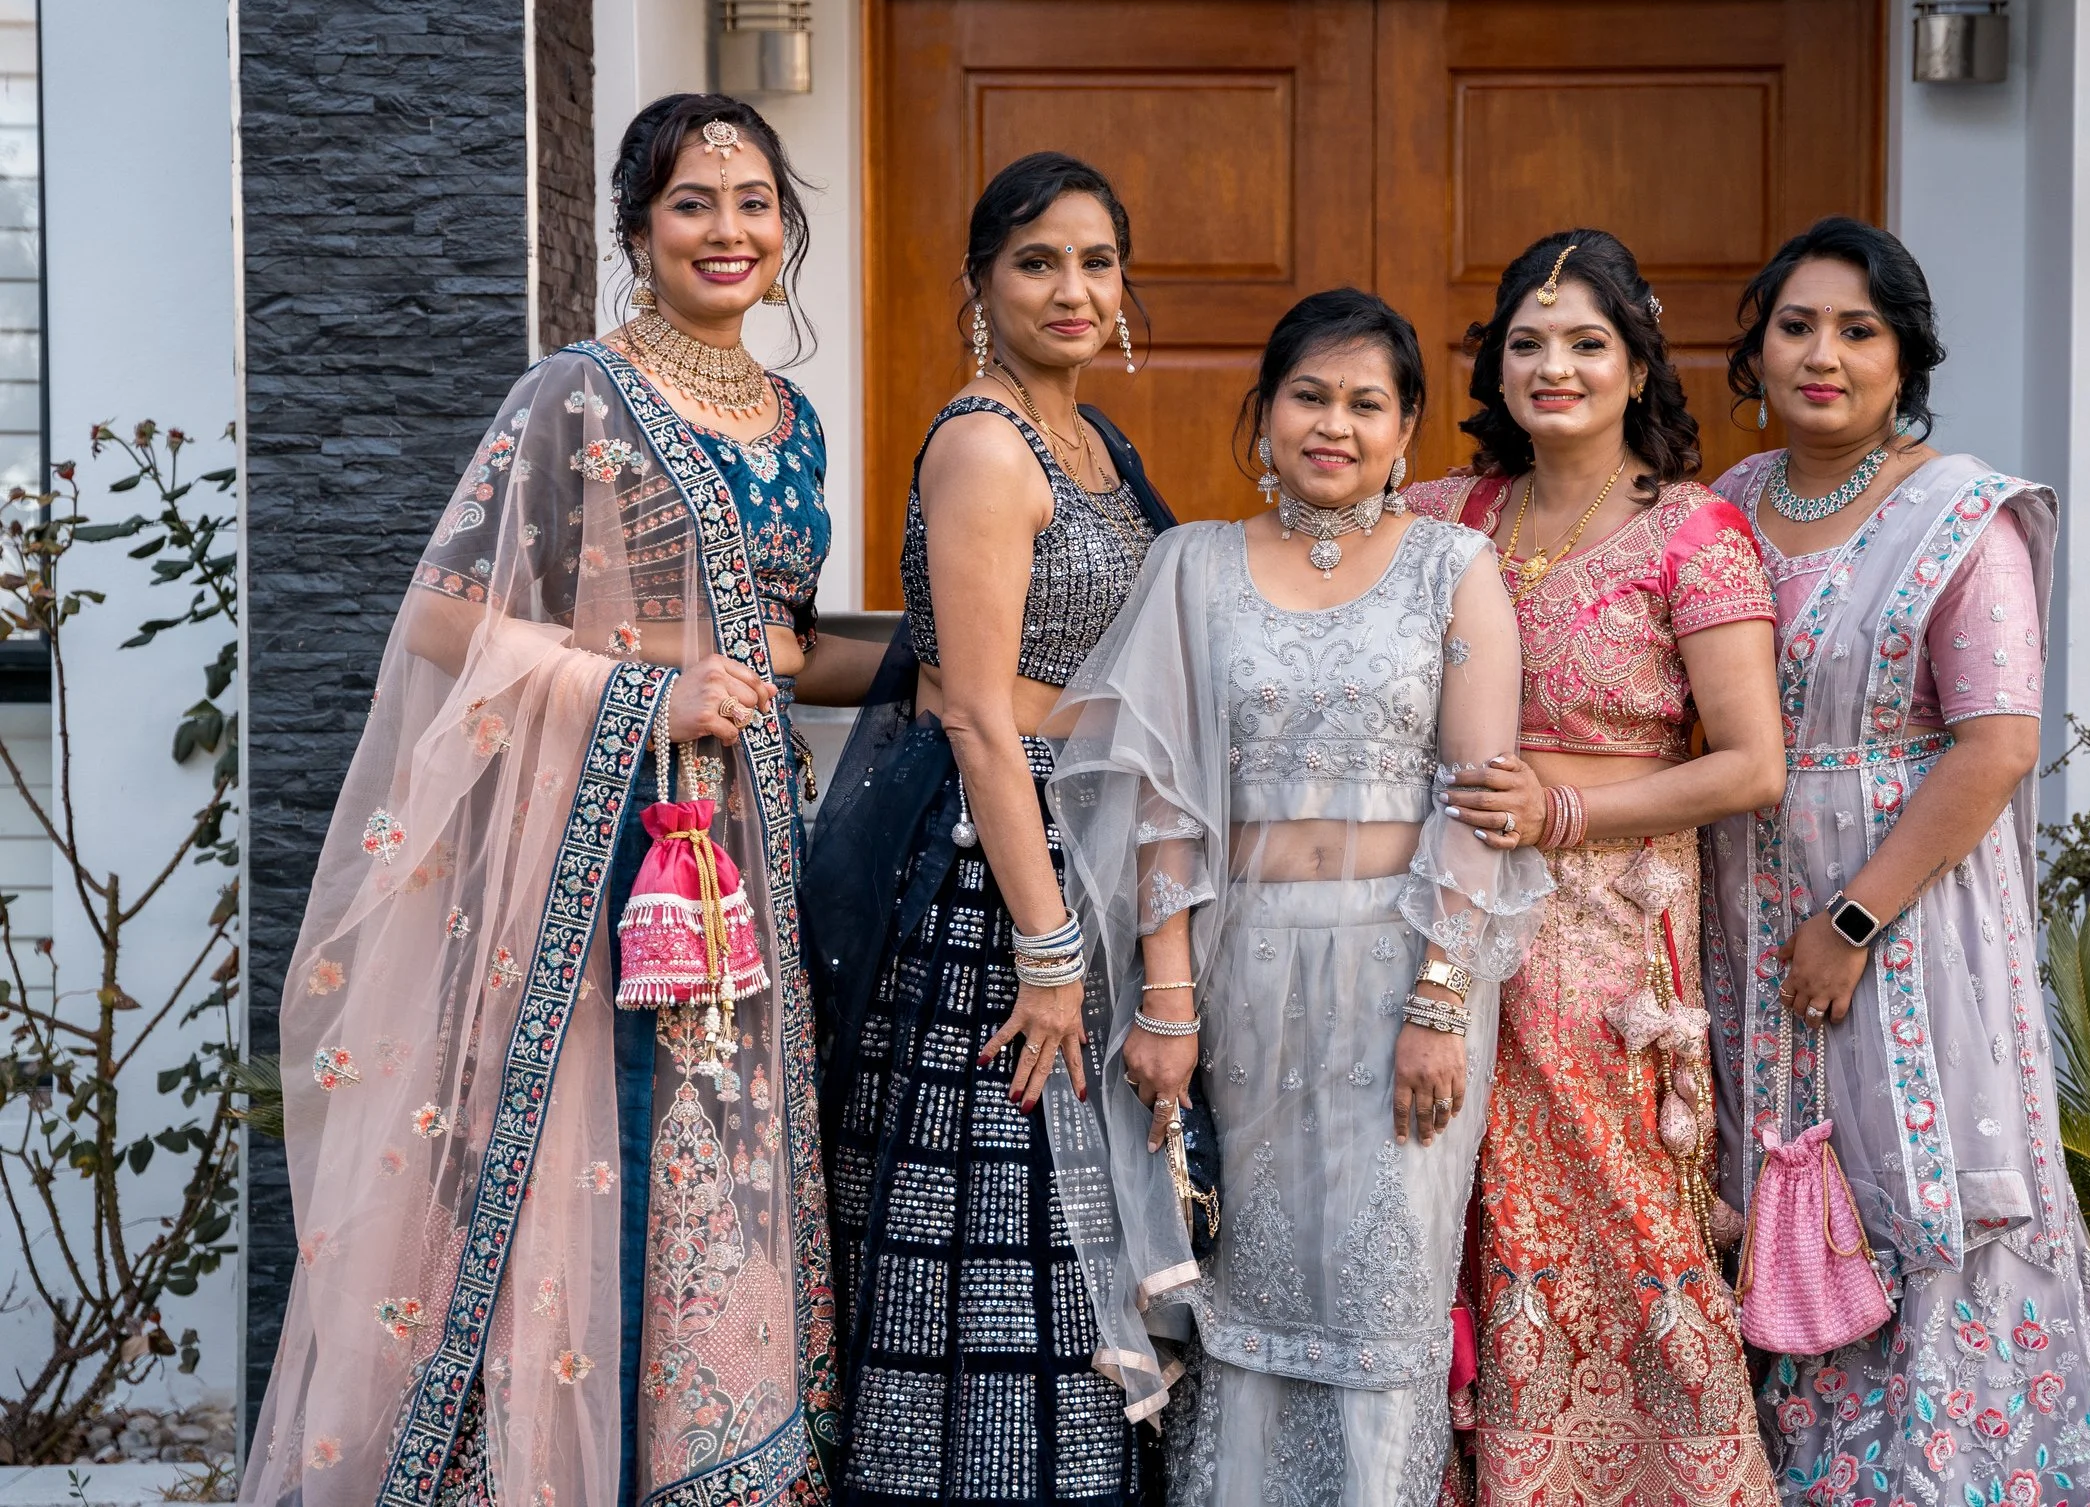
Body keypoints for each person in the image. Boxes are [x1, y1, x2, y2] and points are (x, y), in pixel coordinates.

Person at [244, 92, 865, 1506]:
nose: (729, 229)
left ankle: (707, 1460)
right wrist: (649, 690)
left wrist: (930, 665)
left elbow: (777, 636)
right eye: (693, 203)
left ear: (787, 227)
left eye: (754, 201)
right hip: (608, 844)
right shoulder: (574, 392)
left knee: (734, 1145)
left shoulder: (793, 416)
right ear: (639, 230)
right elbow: (448, 617)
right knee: (624, 1145)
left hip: (751, 836)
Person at [1049, 287, 1549, 1507]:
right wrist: (1167, 1002)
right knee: (1253, 1277)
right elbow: (1158, 799)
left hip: (1403, 962)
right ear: (1264, 413)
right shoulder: (1193, 565)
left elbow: (1480, 797)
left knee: (1385, 1283)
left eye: (1364, 402)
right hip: (1245, 964)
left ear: (1407, 426)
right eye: (1308, 396)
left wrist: (1441, 993)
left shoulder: (1454, 567)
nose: (1333, 424)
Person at [1701, 217, 2090, 1502]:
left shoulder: (1962, 514)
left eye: (1857, 330)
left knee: (1918, 1193)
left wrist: (1850, 923)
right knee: (1766, 1198)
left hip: (1906, 928)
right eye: (1795, 326)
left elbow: (1996, 746)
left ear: (1906, 357)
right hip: (1741, 916)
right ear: (1757, 348)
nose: (1821, 354)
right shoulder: (1720, 509)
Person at [810, 152, 1174, 1506]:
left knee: (1073, 1236)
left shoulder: (1094, 445)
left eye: (1093, 260)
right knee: (990, 1219)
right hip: (987, 879)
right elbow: (970, 710)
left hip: (1080, 843)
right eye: (1036, 261)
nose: (1071, 288)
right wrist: (1046, 943)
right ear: (980, 287)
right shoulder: (984, 441)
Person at [1405, 230, 1782, 1506]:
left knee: (1616, 1216)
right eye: (1526, 341)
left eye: (1585, 343)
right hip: (1436, 922)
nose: (1552, 366)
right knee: (1444, 1213)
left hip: (1603, 945)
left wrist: (1564, 810)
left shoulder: (1691, 530)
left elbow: (1749, 766)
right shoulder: (1438, 514)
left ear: (1635, 365)